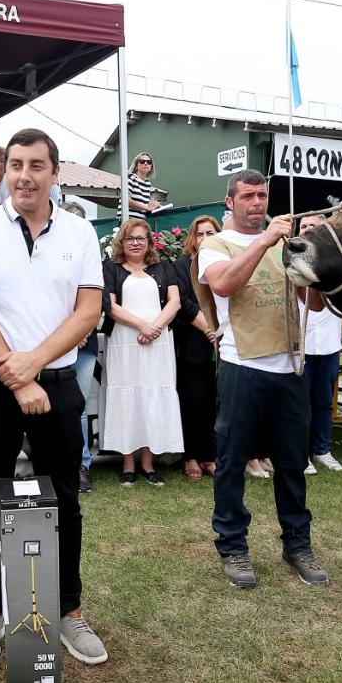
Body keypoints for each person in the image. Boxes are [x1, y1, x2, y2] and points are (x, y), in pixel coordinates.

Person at [0, 128, 108, 667]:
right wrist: (18, 378)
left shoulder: (81, 233)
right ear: (5, 171)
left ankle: (69, 611)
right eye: (16, 164)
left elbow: (88, 312)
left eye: (36, 165)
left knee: (64, 497)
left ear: (55, 172)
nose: (24, 175)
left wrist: (36, 366)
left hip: (60, 385)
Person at [197, 169, 329, 589]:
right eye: (248, 196)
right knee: (232, 463)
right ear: (230, 201)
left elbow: (316, 305)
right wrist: (266, 241)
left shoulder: (286, 244)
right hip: (242, 366)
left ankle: (297, 543)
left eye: (262, 195)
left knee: (292, 462)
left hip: (289, 367)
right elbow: (223, 284)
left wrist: (313, 267)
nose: (257, 202)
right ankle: (233, 547)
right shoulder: (214, 245)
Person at [101, 218, 183, 486]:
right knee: (127, 397)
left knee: (152, 395)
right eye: (130, 239)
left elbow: (175, 302)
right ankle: (128, 463)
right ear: (121, 242)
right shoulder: (111, 269)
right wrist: (143, 325)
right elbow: (110, 307)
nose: (135, 243)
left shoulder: (163, 267)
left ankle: (148, 463)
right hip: (125, 342)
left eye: (141, 238)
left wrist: (155, 327)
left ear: (149, 242)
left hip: (157, 344)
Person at [59, 201, 104, 495]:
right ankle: (57, 465)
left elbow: (102, 302)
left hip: (84, 347)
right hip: (51, 348)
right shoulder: (50, 255)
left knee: (80, 407)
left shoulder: (91, 259)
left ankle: (81, 466)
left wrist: (82, 332)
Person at [172, 215, 221, 481]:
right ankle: (190, 456)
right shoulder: (182, 266)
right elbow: (185, 302)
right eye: (200, 234)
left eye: (211, 233)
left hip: (223, 345)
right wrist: (210, 331)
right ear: (192, 238)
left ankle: (209, 456)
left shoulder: (225, 263)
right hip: (192, 345)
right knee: (192, 402)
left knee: (214, 404)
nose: (205, 238)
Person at [298, 214, 342, 473]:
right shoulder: (290, 259)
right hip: (301, 346)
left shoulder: (335, 261)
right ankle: (301, 453)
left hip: (328, 344)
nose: (307, 229)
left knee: (324, 401)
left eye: (312, 225)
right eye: (303, 225)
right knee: (300, 403)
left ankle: (322, 450)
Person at [116, 152, 162, 218]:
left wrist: (154, 207)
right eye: (142, 161)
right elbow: (125, 200)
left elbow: (144, 206)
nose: (146, 163)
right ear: (136, 166)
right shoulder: (130, 178)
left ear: (151, 167)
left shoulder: (148, 184)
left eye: (149, 162)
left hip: (140, 222)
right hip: (128, 221)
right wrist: (147, 207)